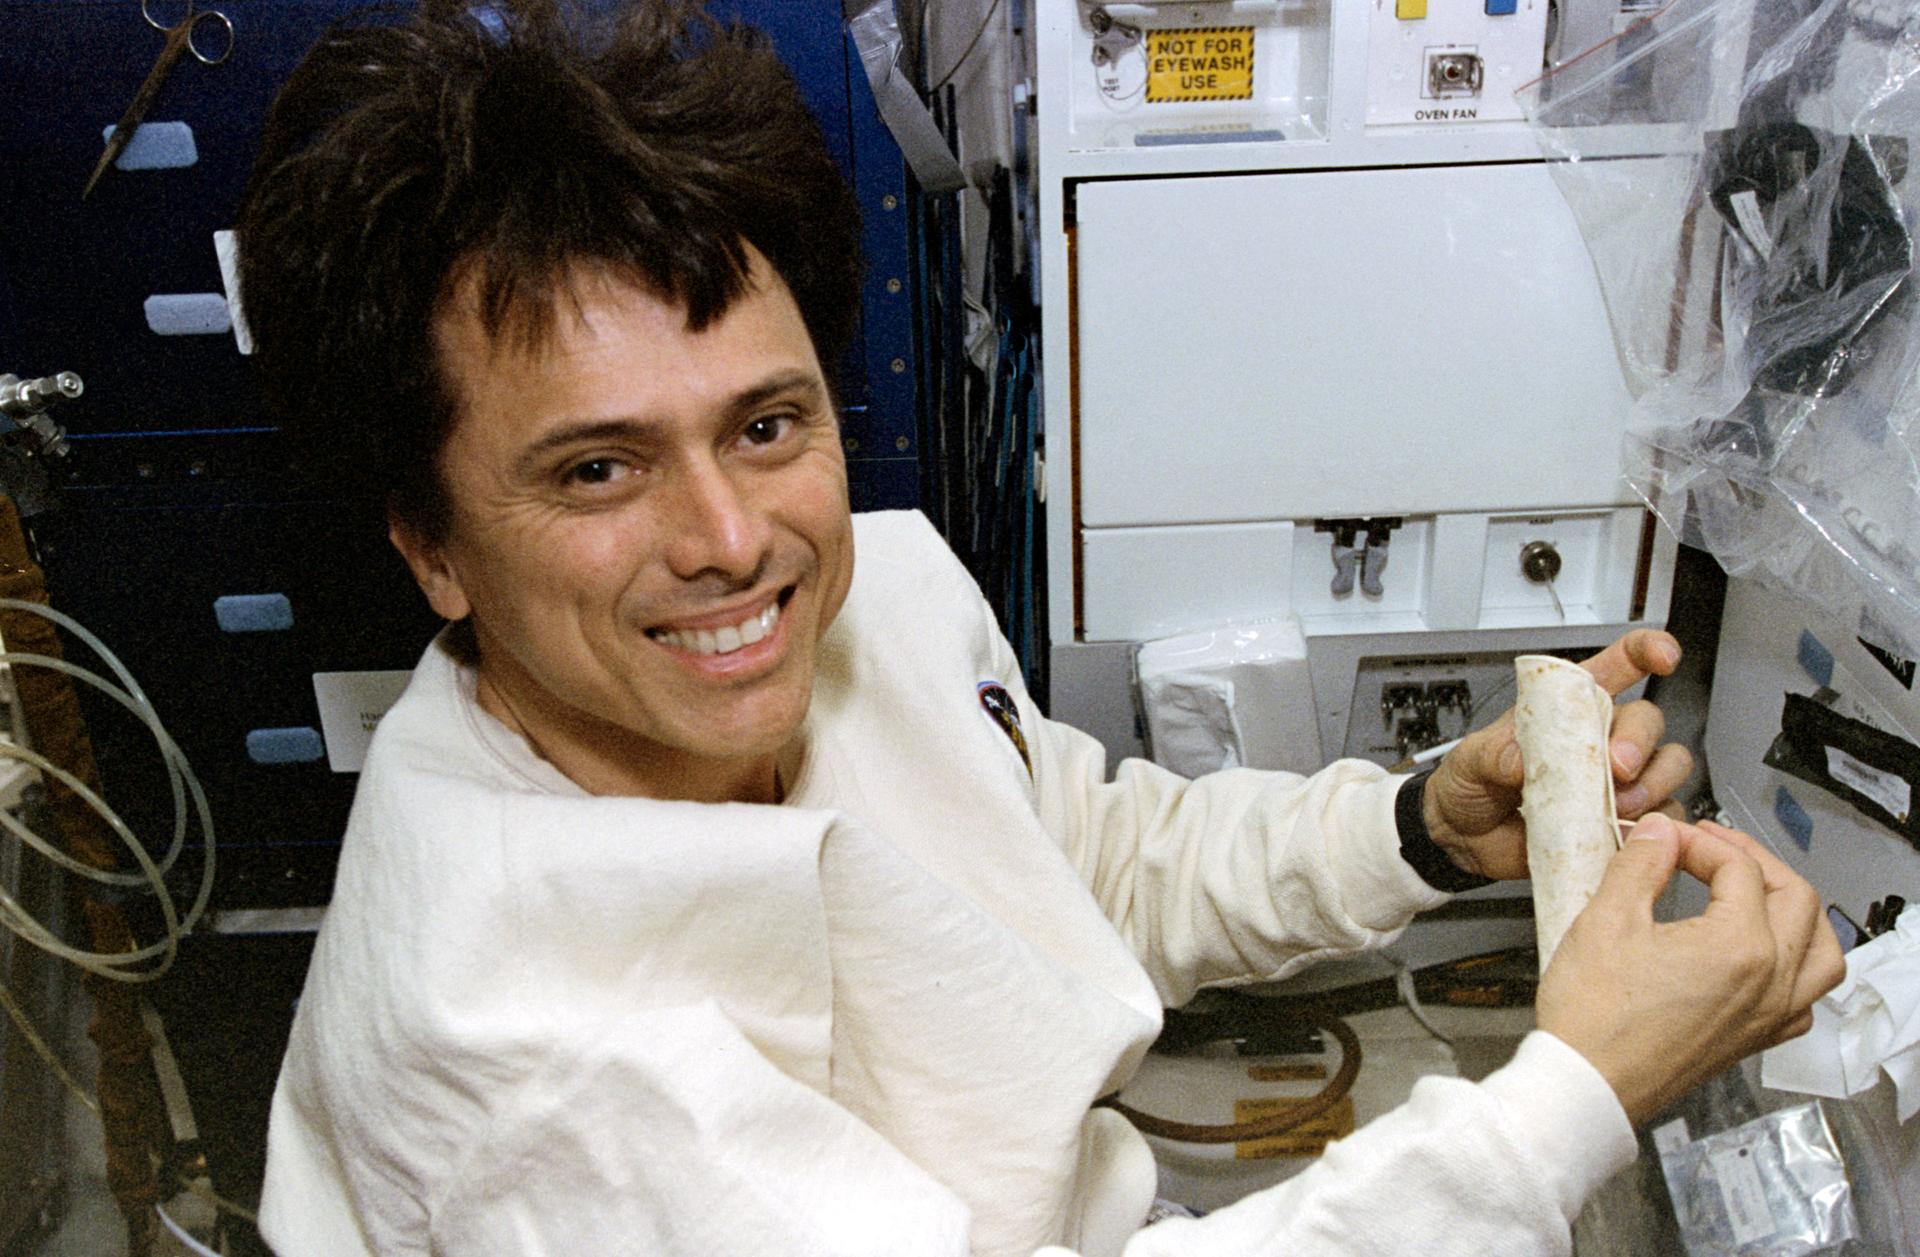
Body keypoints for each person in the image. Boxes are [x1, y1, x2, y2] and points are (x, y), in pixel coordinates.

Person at [235, 3, 1844, 1254]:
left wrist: (1416, 827)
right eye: (598, 468)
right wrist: (1566, 1098)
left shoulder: (878, 598)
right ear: (431, 545)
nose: (733, 545)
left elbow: (1082, 852)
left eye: (767, 425)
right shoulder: (524, 1066)